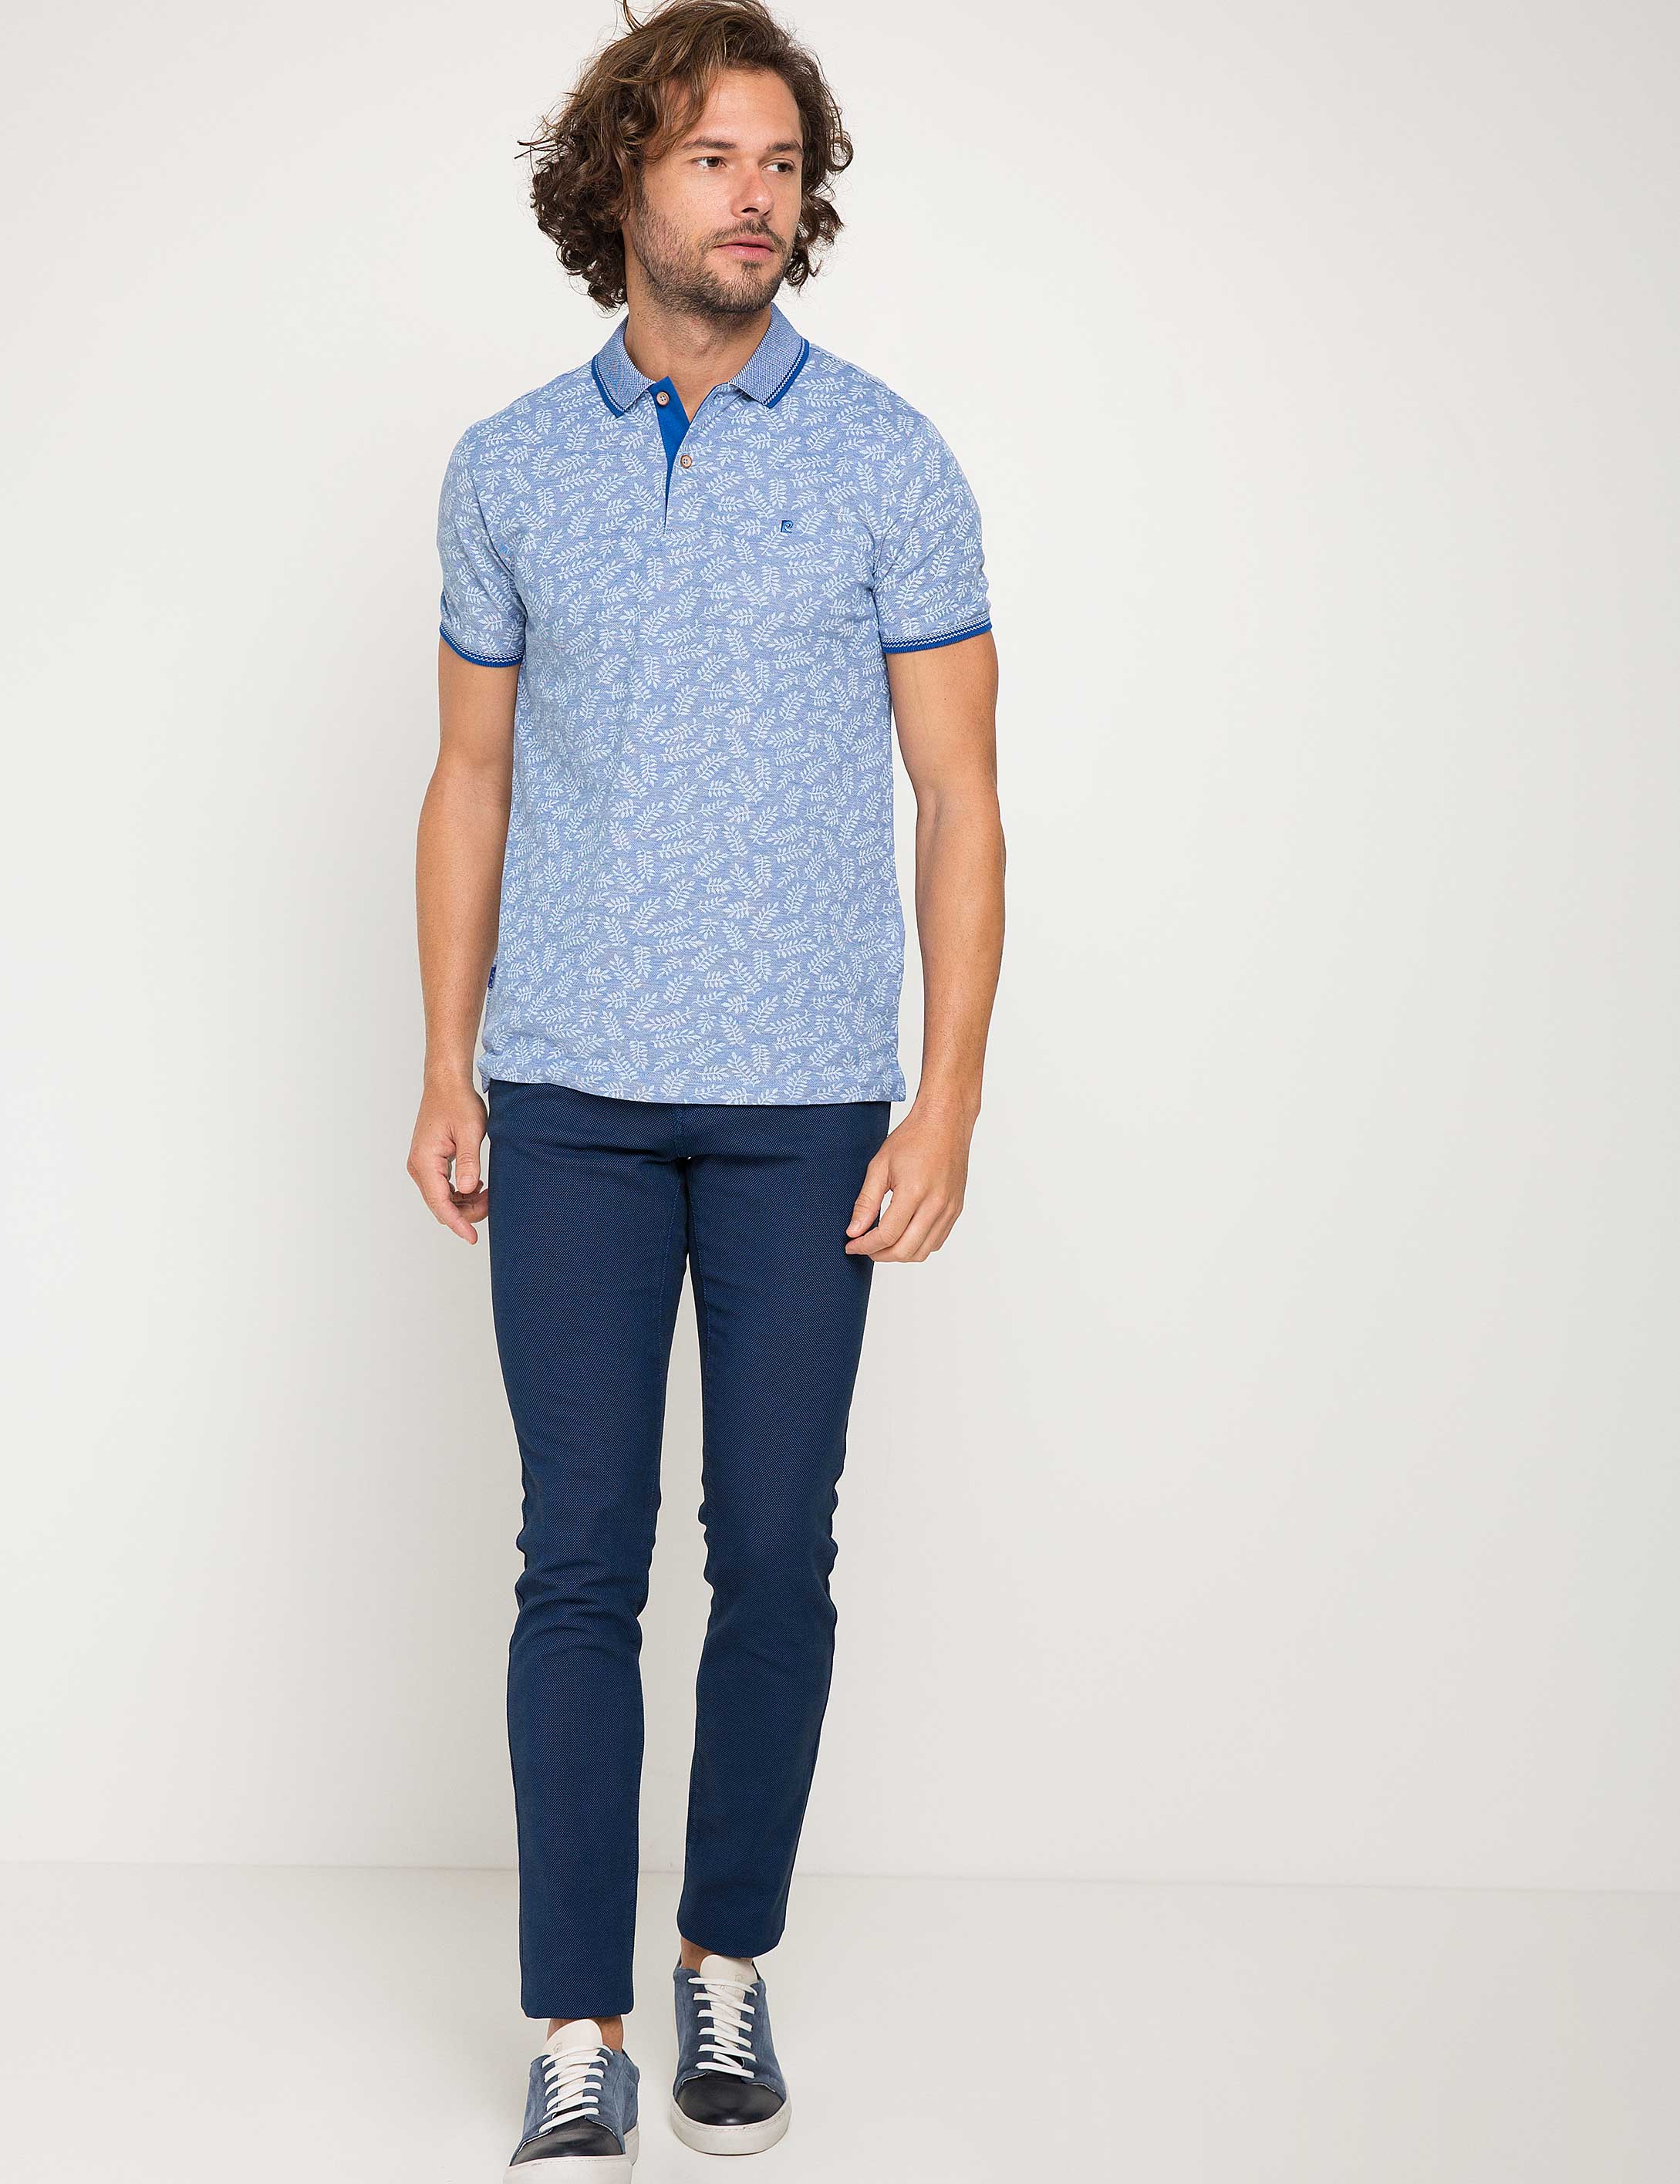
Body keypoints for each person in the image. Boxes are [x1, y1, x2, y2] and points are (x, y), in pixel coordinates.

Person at [407, 2, 1004, 2169]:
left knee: (772, 1550)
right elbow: (469, 778)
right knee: (575, 1561)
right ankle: (576, 2023)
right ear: (622, 184)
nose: (757, 196)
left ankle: (721, 1962)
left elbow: (960, 801)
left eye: (782, 161)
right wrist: (444, 1058)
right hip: (564, 1091)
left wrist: (942, 1101)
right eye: (711, 157)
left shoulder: (890, 458)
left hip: (804, 1105)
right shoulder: (508, 466)